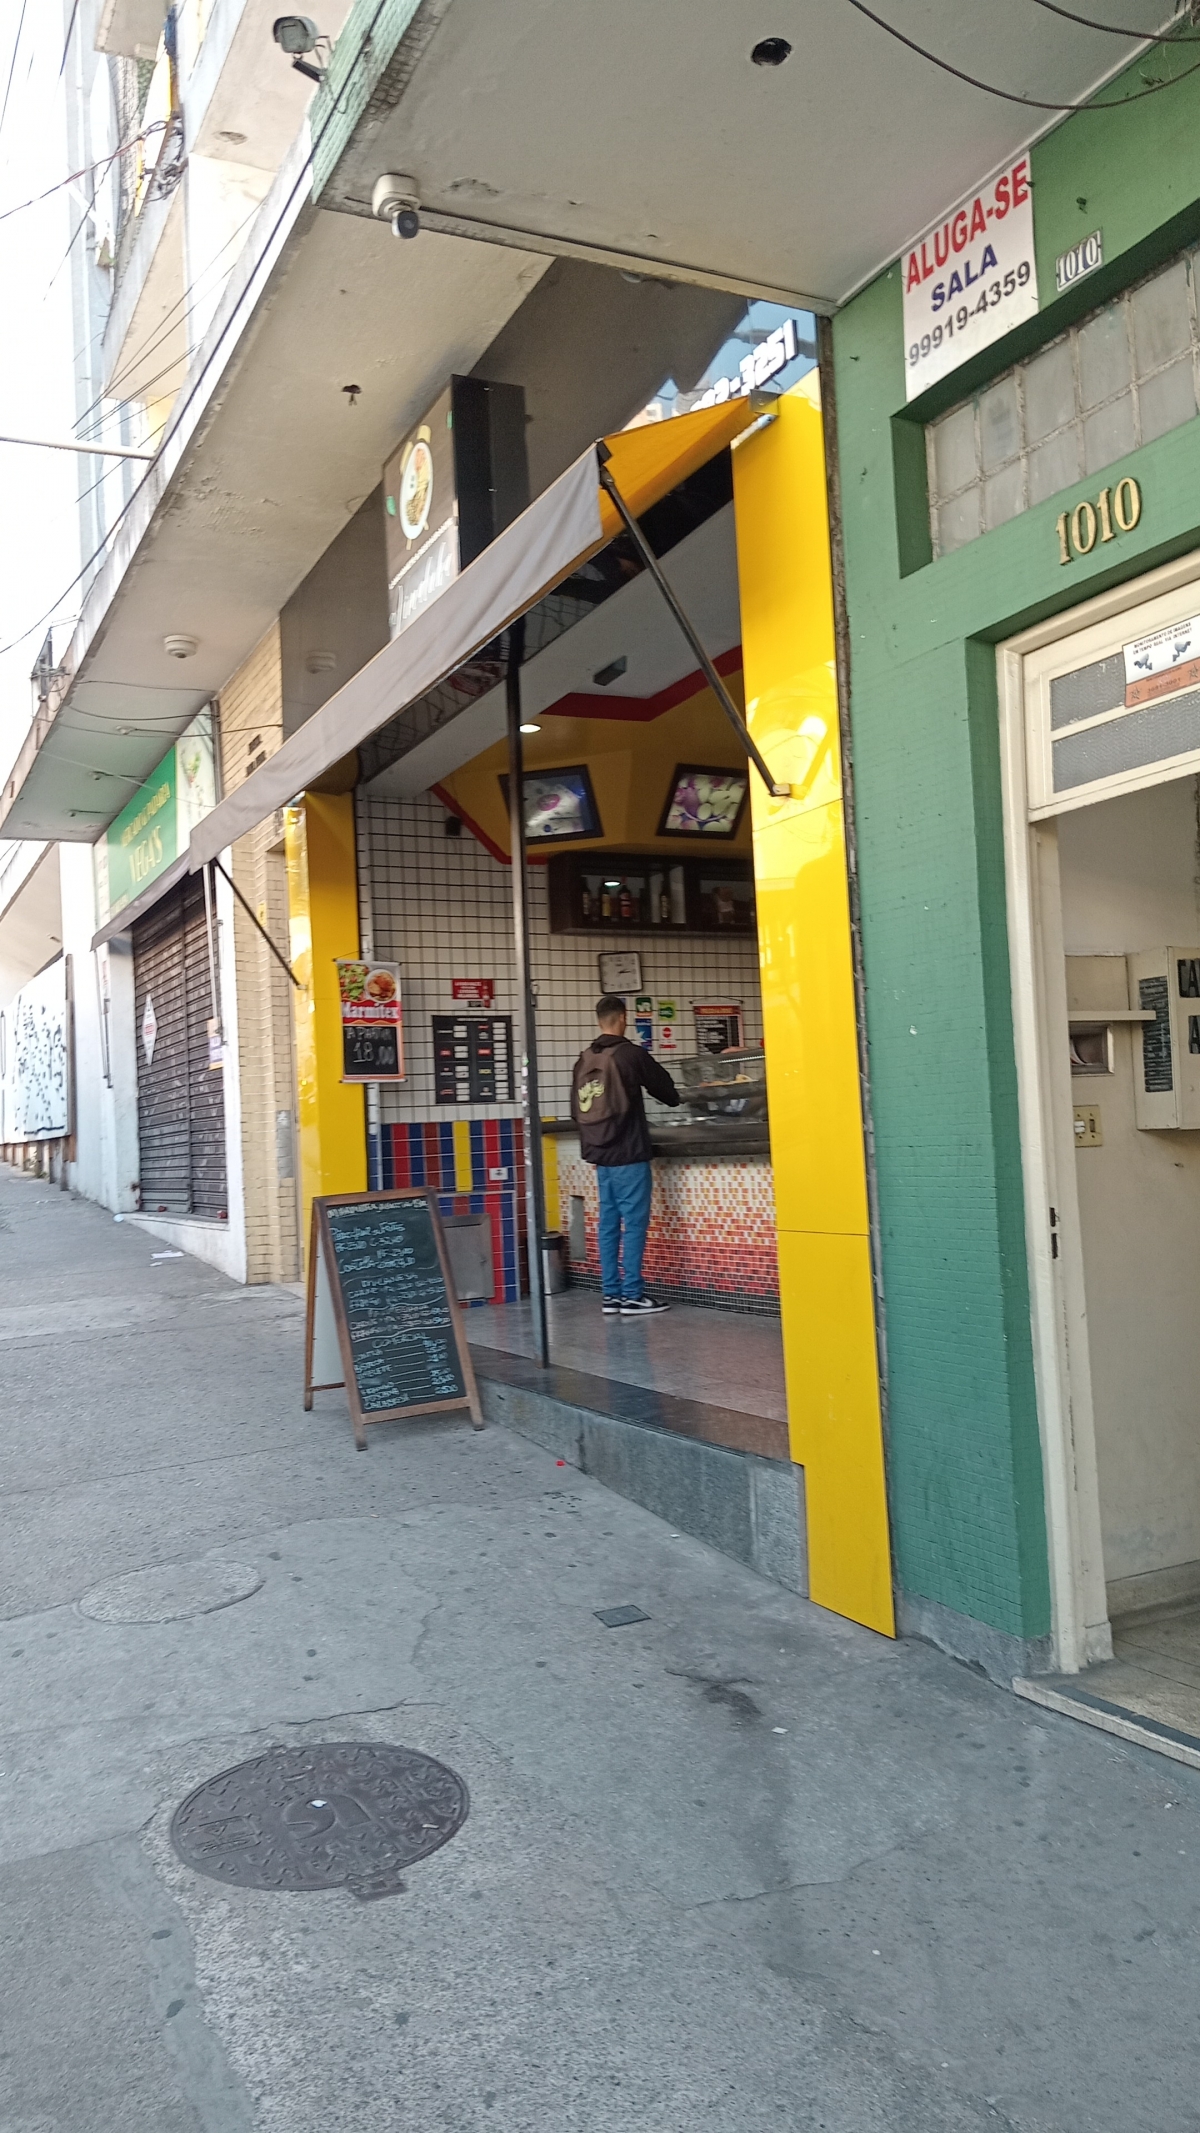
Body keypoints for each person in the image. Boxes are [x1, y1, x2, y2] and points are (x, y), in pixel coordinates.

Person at [570, 994, 680, 1315]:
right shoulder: (630, 1054)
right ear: (623, 1018)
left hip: (600, 1155)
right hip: (629, 1153)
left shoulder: (584, 1059)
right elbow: (668, 1092)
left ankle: (611, 1295)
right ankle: (632, 1295)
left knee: (608, 1223)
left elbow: (576, 1111)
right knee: (633, 1224)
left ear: (599, 1020)